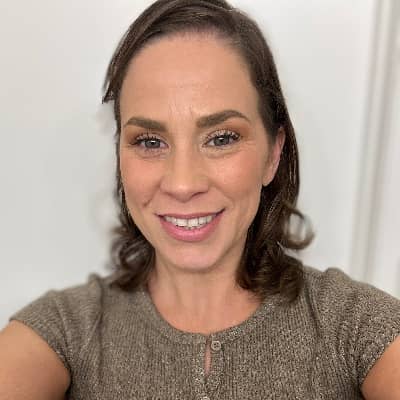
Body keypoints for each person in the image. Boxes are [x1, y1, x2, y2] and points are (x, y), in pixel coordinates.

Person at [1, 0, 399, 398]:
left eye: (221, 138)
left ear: (273, 155)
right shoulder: (62, 331)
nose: (182, 183)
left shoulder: (357, 326)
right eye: (150, 141)